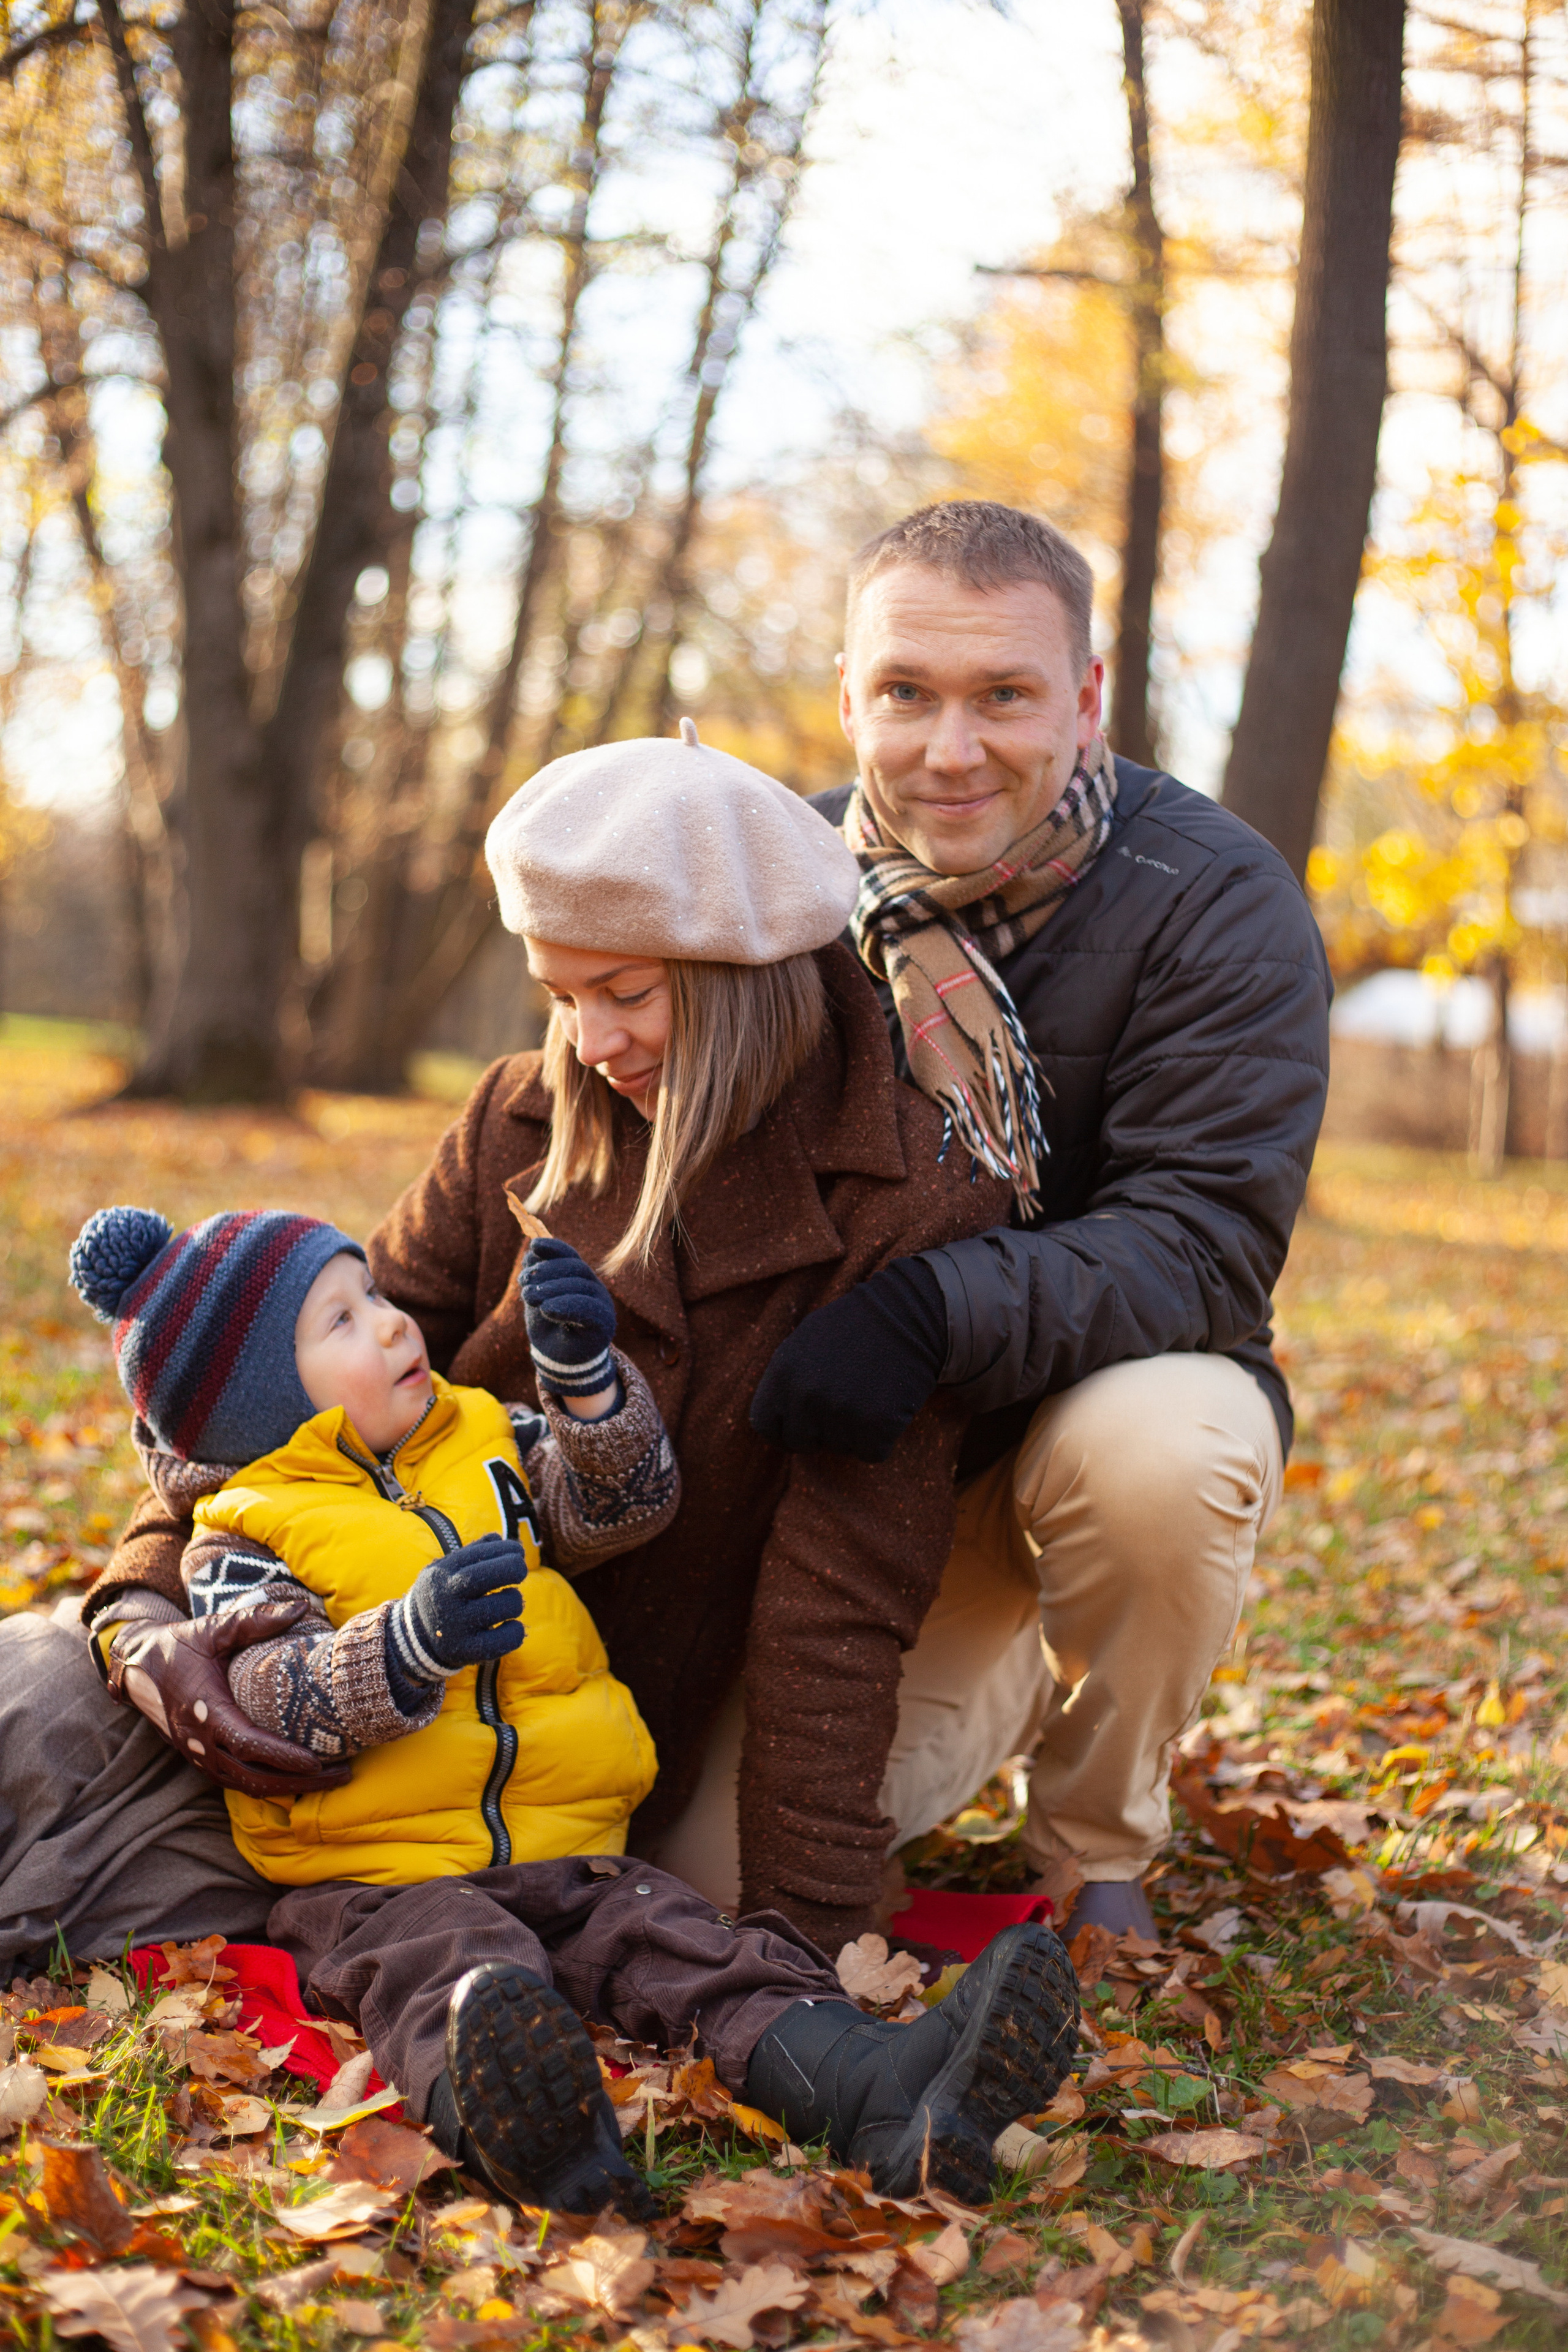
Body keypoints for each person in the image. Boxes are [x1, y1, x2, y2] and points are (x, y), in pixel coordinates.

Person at [80, 731, 1018, 1962]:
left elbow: (837, 1582)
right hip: (405, 1672)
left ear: (745, 971)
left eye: (626, 994)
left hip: (696, 1680)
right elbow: (283, 1384)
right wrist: (140, 1615)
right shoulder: (512, 1116)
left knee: (702, 1902)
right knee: (68, 1743)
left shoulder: (909, 1188)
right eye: (560, 995)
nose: (588, 1041)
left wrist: (808, 1931)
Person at [66, 1196, 1080, 2210]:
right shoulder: (247, 1533)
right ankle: (538, 2136)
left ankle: (884, 2086)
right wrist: (402, 1649)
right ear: (258, 1404)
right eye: (340, 1320)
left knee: (691, 1951)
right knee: (453, 1975)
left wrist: (587, 1385)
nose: (390, 1322)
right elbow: (265, 1698)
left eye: (373, 1291)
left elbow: (621, 1505)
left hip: (570, 1848)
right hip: (381, 1877)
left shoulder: (478, 1435)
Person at [748, 500, 1332, 1939]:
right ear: (848, 696)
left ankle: (1095, 1835)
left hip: (1090, 1422)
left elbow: (1203, 1241)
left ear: (1083, 700)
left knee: (1166, 1451)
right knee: (717, 1871)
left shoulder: (1215, 898)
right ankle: (988, 1671)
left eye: (1002, 695)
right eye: (906, 694)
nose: (950, 751)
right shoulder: (769, 890)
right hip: (861, 1492)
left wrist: (933, 1307)